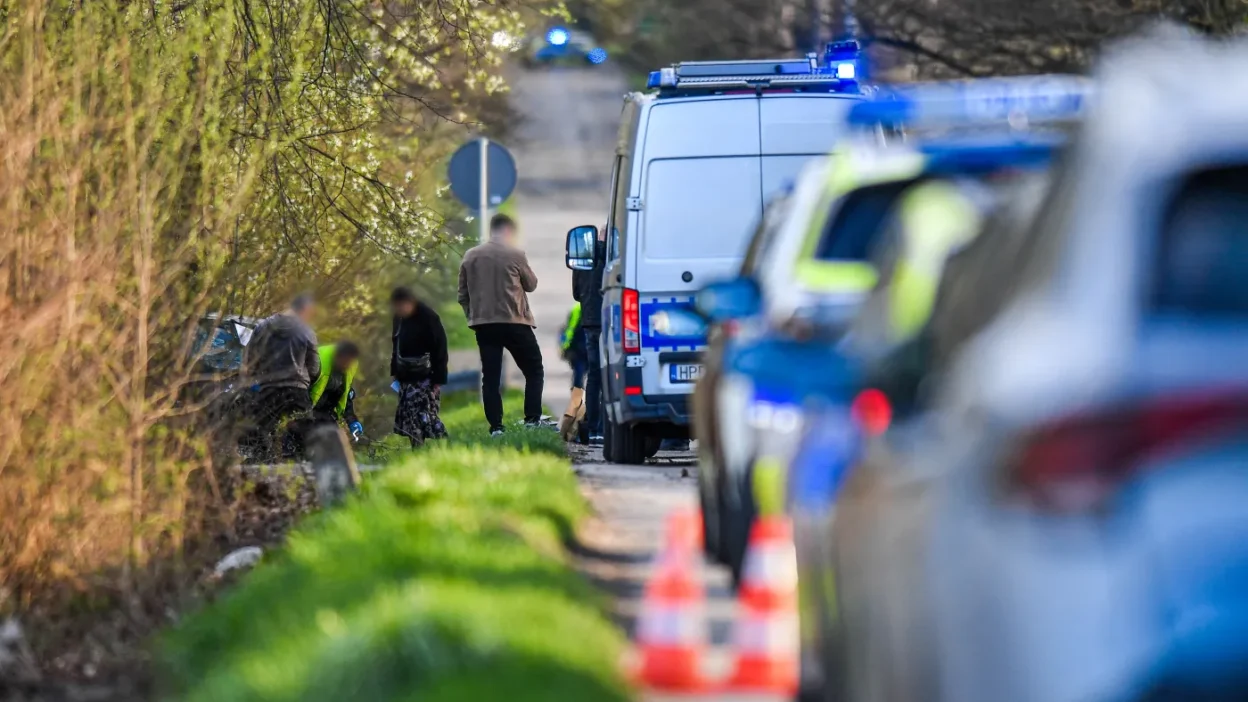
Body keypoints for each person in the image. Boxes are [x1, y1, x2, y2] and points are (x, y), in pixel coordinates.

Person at [457, 214, 547, 435]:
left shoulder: (470, 256)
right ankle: (532, 419)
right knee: (534, 370)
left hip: (485, 325)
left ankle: (496, 427)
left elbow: (462, 295)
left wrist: (474, 317)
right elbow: (532, 284)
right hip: (515, 322)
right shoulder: (515, 254)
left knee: (491, 378)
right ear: (507, 230)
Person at [242, 292, 320, 459]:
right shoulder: (307, 331)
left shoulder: (262, 327)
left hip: (267, 390)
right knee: (302, 442)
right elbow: (314, 368)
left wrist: (256, 380)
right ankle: (297, 466)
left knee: (261, 440)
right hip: (297, 392)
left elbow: (248, 360)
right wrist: (307, 383)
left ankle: (263, 467)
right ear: (305, 309)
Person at [390, 286, 449, 447]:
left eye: (402, 306)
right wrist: (395, 371)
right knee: (409, 416)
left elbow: (440, 349)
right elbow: (396, 345)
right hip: (405, 375)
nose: (400, 310)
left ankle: (443, 444)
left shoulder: (429, 317)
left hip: (426, 376)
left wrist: (438, 379)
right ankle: (417, 448)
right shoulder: (399, 319)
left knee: (426, 415)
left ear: (411, 302)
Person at [573, 225, 607, 445]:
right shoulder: (614, 258)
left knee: (594, 376)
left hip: (590, 322)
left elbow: (576, 294)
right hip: (610, 321)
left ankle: (594, 429)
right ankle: (606, 427)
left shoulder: (583, 261)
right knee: (611, 374)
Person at [309, 340, 364, 439]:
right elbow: (300, 390)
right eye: (344, 362)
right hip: (307, 411)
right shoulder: (317, 362)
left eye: (349, 363)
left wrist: (352, 420)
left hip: (326, 415)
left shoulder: (350, 367)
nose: (346, 366)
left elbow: (345, 396)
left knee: (334, 441)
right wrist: (300, 415)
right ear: (337, 356)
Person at [560, 302, 586, 389]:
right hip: (580, 348)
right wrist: (565, 347)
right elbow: (569, 329)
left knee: (579, 375)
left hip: (580, 347)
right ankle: (577, 395)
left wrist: (565, 347)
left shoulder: (577, 308)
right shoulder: (577, 309)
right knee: (580, 375)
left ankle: (577, 396)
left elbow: (569, 329)